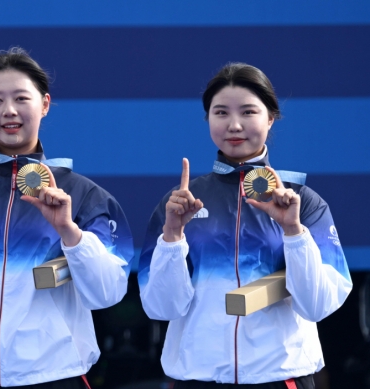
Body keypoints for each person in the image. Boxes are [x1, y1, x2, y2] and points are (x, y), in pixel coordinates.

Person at [0, 47, 136, 388]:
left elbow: (107, 294)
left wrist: (68, 231)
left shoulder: (83, 195)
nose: (9, 111)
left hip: (52, 375)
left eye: (21, 98)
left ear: (44, 104)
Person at [138, 63, 352, 388]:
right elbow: (160, 307)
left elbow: (317, 305)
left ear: (270, 118)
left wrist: (294, 232)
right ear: (208, 119)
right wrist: (172, 236)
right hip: (198, 378)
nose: (234, 125)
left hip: (281, 377)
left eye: (249, 112)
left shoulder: (303, 202)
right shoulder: (181, 203)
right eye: (221, 112)